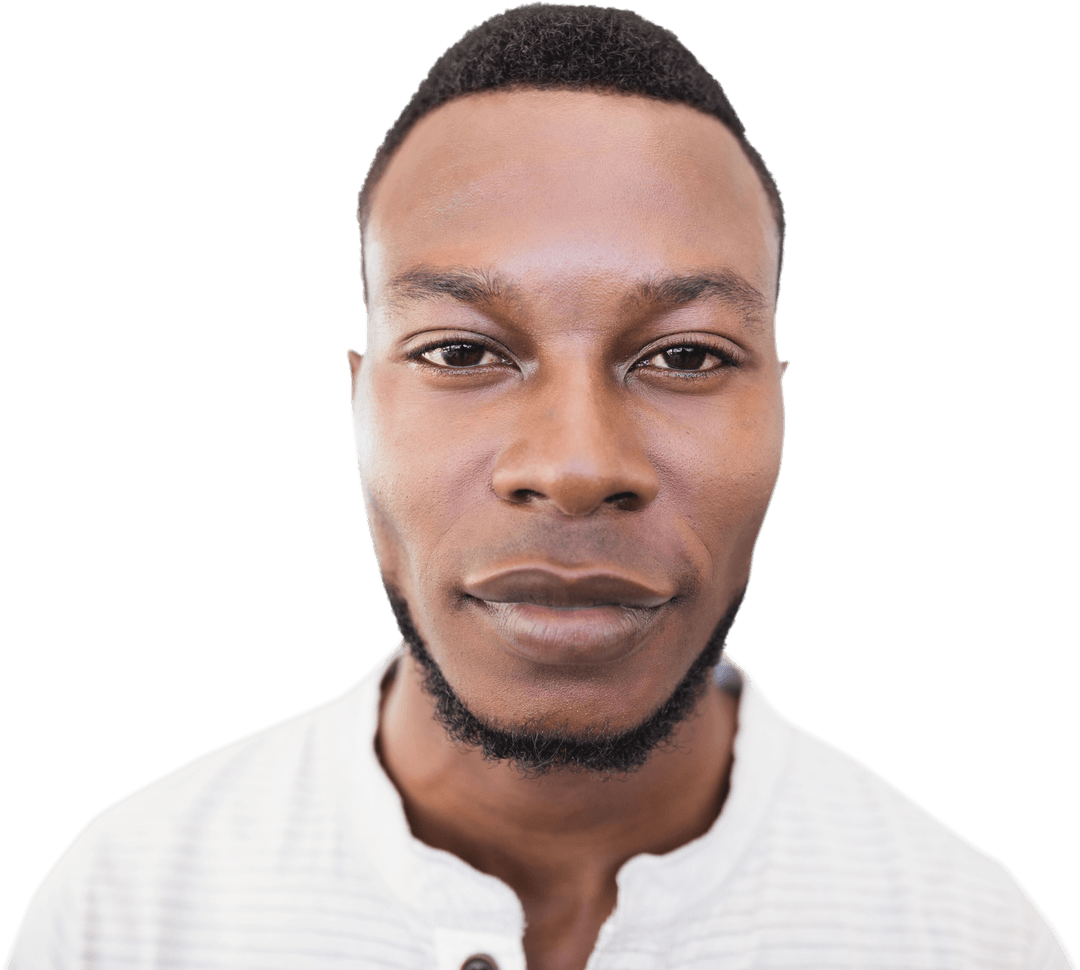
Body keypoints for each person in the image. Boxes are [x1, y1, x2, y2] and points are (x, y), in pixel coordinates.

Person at [4, 4, 1075, 969]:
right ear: (356, 401)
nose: (574, 469)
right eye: (463, 354)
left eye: (689, 356)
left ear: (785, 406)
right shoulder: (127, 912)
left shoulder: (971, 935)